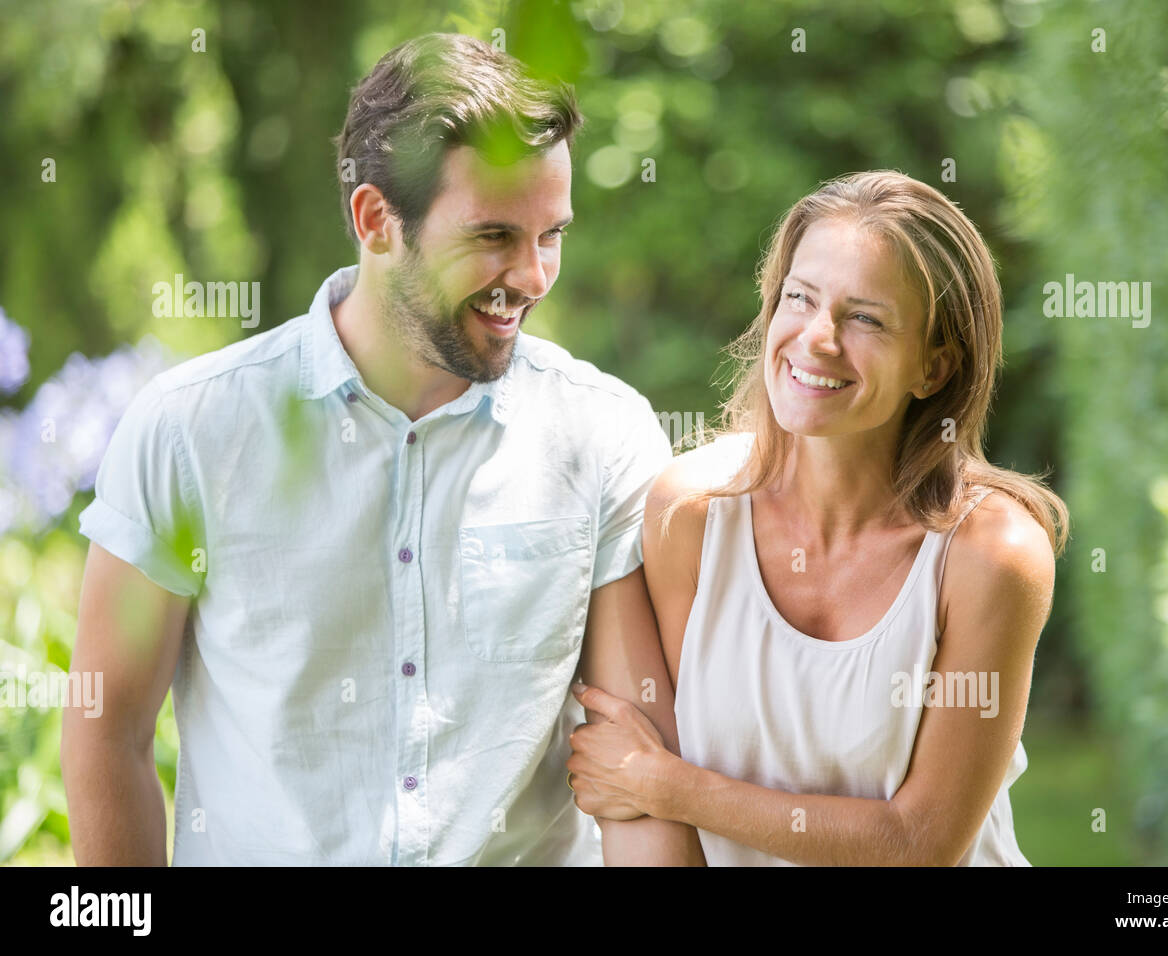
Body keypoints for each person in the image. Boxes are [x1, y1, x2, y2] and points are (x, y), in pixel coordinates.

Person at [61, 32, 703, 866]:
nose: (535, 275)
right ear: (376, 220)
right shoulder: (191, 431)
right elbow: (106, 733)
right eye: (494, 236)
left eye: (553, 235)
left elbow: (635, 774)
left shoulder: (602, 434)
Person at [566, 170, 1069, 865]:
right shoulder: (692, 514)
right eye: (799, 299)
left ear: (934, 367)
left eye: (865, 318)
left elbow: (921, 844)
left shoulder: (991, 555)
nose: (818, 338)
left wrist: (670, 786)